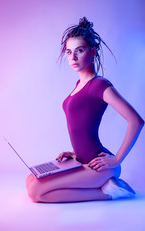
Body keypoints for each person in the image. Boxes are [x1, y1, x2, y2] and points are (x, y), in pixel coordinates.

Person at [26, 17, 144, 203]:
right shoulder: (78, 84)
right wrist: (75, 154)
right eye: (68, 52)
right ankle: (105, 186)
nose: (72, 57)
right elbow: (82, 128)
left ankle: (109, 192)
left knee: (36, 192)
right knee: (31, 179)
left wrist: (116, 160)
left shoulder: (100, 85)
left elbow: (136, 121)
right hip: (82, 160)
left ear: (93, 51)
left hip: (99, 166)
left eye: (79, 51)